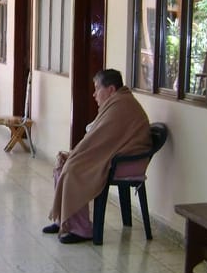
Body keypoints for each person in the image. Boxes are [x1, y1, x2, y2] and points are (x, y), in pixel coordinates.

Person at [43, 69, 151, 244]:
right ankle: (65, 219)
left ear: (110, 89)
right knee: (62, 165)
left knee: (73, 170)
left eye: (96, 88)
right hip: (118, 155)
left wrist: (76, 154)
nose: (94, 94)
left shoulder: (121, 105)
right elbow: (99, 137)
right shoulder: (117, 101)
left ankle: (82, 230)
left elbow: (101, 139)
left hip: (127, 161)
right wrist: (75, 154)